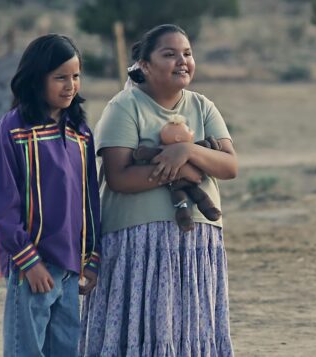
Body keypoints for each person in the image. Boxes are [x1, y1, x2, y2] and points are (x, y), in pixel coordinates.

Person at [80, 24, 237, 356]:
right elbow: (119, 176)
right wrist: (180, 171)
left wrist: (188, 152)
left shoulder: (203, 106)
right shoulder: (124, 107)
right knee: (140, 334)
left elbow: (229, 166)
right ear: (145, 65)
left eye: (187, 53)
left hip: (195, 242)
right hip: (138, 246)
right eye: (169, 54)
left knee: (189, 331)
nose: (182, 61)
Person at [0, 34, 101, 356]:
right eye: (60, 77)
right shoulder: (13, 130)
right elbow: (1, 206)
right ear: (37, 79)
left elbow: (90, 199)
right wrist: (29, 262)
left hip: (70, 268)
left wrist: (92, 258)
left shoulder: (80, 132)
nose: (70, 85)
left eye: (76, 76)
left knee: (65, 350)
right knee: (26, 350)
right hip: (33, 267)